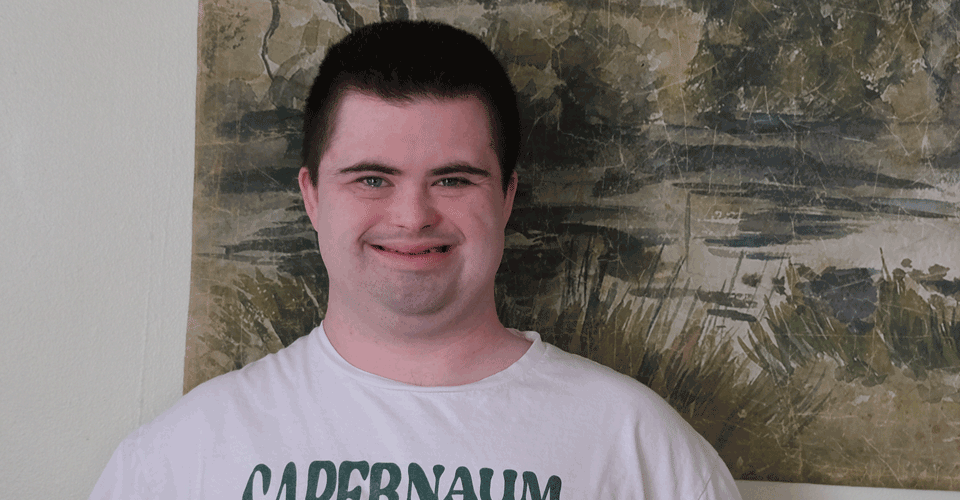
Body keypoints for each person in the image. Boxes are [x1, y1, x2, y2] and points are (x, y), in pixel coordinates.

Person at [90, 20, 742, 499]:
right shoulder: (178, 459)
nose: (412, 217)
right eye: (371, 179)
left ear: (507, 195)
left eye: (454, 180)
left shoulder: (642, 453)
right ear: (313, 197)